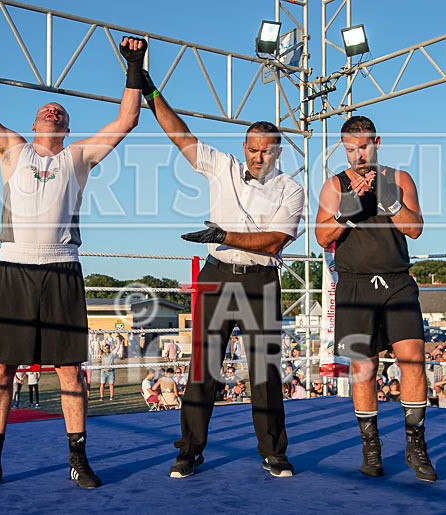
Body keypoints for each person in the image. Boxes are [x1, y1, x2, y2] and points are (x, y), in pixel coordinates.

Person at [0, 10, 145, 492]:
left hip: (62, 271)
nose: (52, 109)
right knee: (1, 368)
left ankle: (78, 459)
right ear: (32, 122)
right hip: (13, 270)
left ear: (67, 126)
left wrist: (133, 66)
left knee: (70, 368)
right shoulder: (11, 148)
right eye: (45, 108)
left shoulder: (78, 156)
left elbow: (127, 118)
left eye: (59, 110)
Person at [141, 70, 303, 480]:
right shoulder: (223, 166)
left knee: (265, 371)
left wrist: (224, 234)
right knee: (203, 367)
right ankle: (189, 450)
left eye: (265, 151)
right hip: (216, 277)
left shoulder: (292, 188)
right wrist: (151, 89)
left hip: (260, 280)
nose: (257, 156)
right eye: (251, 149)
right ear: (244, 148)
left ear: (278, 152)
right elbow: (181, 136)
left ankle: (274, 452)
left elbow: (274, 242)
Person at [314, 116, 434, 482]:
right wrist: (348, 211)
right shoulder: (335, 185)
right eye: (350, 149)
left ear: (376, 141)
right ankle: (371, 446)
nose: (357, 155)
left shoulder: (399, 179)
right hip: (353, 286)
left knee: (412, 360)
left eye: (363, 146)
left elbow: (415, 229)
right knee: (362, 370)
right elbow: (321, 236)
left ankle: (416, 446)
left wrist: (390, 202)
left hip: (398, 282)